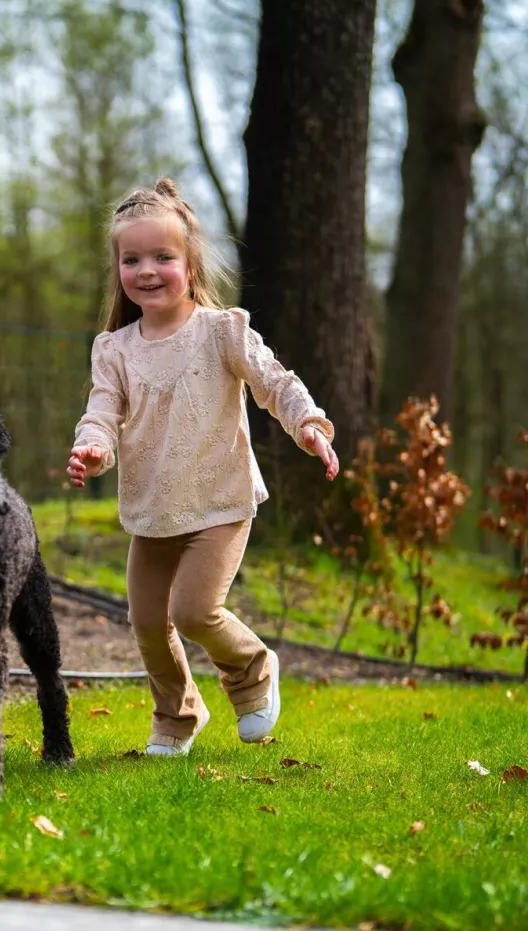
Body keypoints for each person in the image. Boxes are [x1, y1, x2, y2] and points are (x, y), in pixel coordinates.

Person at [67, 178, 338, 755]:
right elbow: (101, 411)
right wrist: (92, 447)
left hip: (220, 500)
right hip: (152, 509)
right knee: (147, 622)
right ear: (117, 267)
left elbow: (274, 382)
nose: (147, 270)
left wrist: (309, 424)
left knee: (192, 611)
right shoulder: (114, 349)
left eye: (163, 257)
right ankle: (177, 717)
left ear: (190, 265)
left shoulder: (221, 332)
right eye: (131, 258)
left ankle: (254, 672)